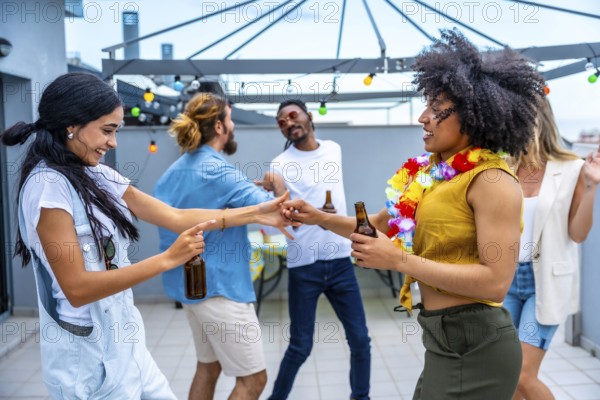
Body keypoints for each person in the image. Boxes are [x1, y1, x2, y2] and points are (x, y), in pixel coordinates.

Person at [280, 30, 546, 399]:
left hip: (477, 342)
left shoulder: (492, 181)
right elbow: (374, 225)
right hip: (440, 338)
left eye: (436, 108)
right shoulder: (431, 174)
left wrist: (400, 260)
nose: (423, 117)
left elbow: (495, 282)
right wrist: (316, 216)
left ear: (471, 113)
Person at [0, 72, 290, 399]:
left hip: (126, 342)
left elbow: (175, 216)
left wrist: (256, 212)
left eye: (116, 131)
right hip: (86, 358)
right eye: (107, 130)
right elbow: (77, 288)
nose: (113, 142)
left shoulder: (97, 174)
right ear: (71, 125)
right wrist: (167, 259)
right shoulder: (47, 187)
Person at [154, 92, 289, 400]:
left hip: (190, 289)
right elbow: (276, 210)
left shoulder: (173, 173)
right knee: (253, 379)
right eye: (229, 119)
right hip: (220, 291)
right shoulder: (219, 170)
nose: (232, 126)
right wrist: (278, 185)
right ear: (218, 127)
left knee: (208, 367)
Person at [259, 99, 371, 400]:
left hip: (339, 261)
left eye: (293, 115)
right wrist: (274, 194)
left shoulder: (334, 149)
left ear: (309, 116)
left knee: (360, 339)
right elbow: (278, 225)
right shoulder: (279, 166)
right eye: (281, 121)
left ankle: (361, 397)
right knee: (300, 345)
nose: (288, 122)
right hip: (303, 264)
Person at [503, 98, 600, 400]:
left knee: (522, 374)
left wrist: (591, 187)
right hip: (502, 280)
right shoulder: (502, 167)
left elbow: (578, 233)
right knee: (506, 374)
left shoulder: (572, 169)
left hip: (543, 284)